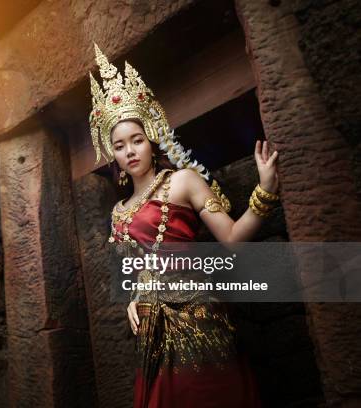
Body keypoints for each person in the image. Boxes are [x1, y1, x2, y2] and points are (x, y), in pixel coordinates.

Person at [88, 43, 280, 408]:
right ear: (111, 153)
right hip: (151, 328)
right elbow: (136, 270)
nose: (129, 151)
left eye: (137, 140)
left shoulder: (183, 181)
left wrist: (265, 191)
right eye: (119, 145)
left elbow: (233, 240)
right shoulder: (118, 212)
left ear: (152, 139)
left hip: (198, 316)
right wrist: (134, 298)